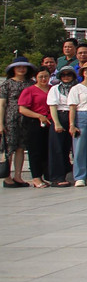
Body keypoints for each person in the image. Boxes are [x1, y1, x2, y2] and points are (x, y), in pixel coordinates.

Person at [2, 57, 37, 187]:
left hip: (26, 118)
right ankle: (7, 176)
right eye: (18, 67)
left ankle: (18, 176)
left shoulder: (31, 84)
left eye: (24, 67)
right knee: (9, 147)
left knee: (21, 147)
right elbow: (2, 104)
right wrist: (1, 123)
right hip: (11, 117)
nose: (21, 69)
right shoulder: (7, 84)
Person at [17, 69, 53, 187]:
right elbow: (22, 109)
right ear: (35, 78)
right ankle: (36, 177)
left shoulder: (52, 88)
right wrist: (38, 116)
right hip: (34, 123)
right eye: (41, 77)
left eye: (46, 76)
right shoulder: (30, 90)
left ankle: (44, 175)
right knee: (35, 151)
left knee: (45, 151)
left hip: (50, 123)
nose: (43, 79)